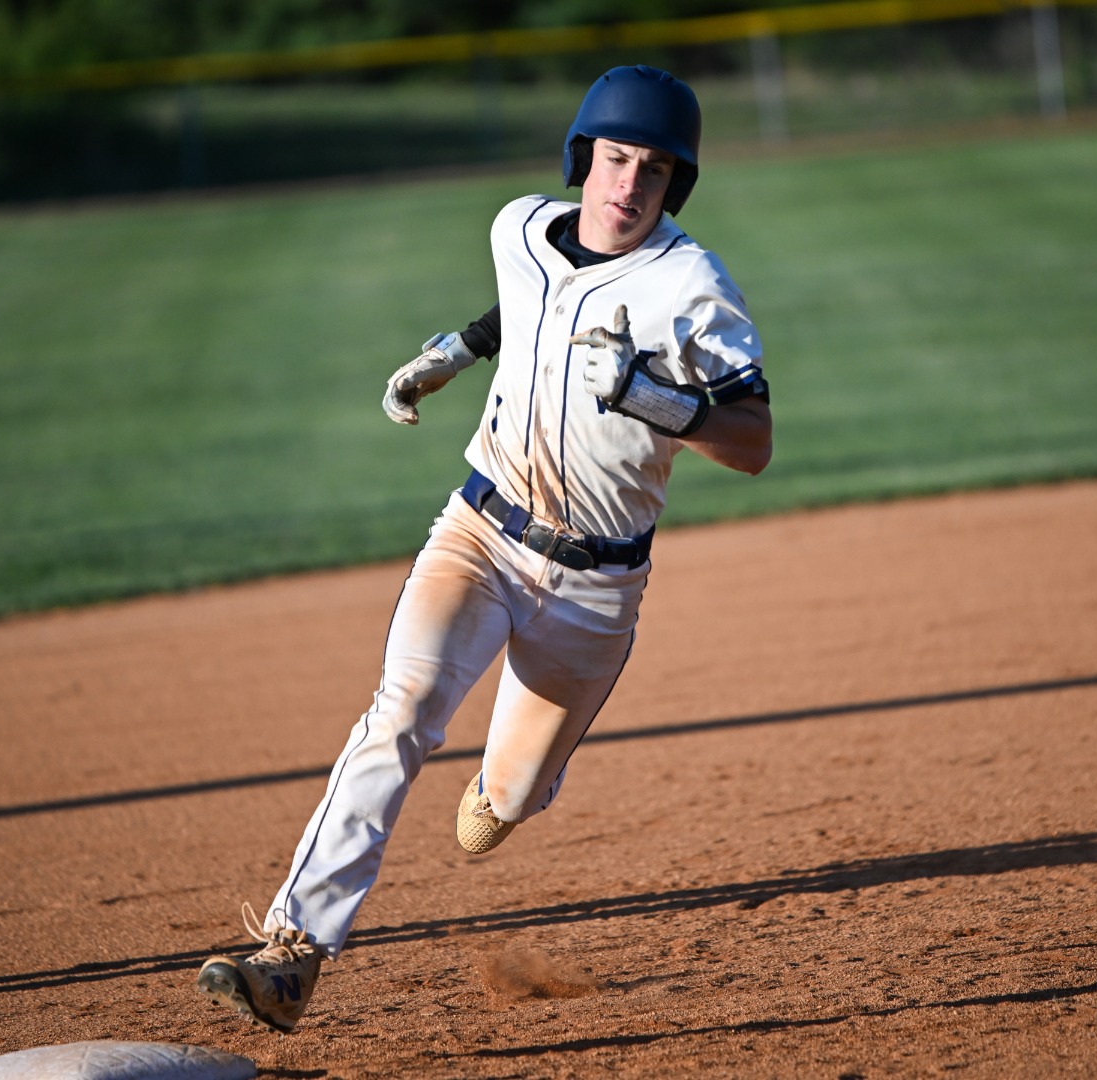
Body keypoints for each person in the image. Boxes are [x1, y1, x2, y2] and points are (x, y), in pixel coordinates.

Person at [196, 64, 771, 1034]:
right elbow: (532, 302)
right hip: (479, 533)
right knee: (401, 712)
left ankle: (512, 791)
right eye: (617, 157)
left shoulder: (690, 287)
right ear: (583, 155)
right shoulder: (519, 226)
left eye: (656, 167)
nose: (631, 184)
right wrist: (455, 352)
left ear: (678, 181)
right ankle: (292, 953)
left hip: (594, 589)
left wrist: (651, 397)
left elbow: (753, 441)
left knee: (505, 800)